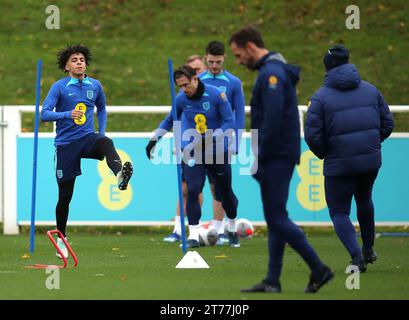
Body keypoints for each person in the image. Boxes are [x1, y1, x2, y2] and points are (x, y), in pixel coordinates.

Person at [230, 26, 333, 293]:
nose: (239, 61)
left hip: (276, 155)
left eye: (239, 55)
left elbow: (272, 120)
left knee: (276, 218)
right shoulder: (273, 70)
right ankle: (272, 280)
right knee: (276, 216)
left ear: (251, 47)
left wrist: (261, 157)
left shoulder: (272, 74)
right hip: (277, 154)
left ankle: (319, 268)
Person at [304, 45, 394, 272]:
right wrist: (371, 146)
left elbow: (312, 136)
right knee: (364, 199)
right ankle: (369, 248)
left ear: (327, 67)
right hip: (370, 161)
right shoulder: (371, 90)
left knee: (339, 211)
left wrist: (326, 153)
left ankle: (357, 257)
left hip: (339, 163)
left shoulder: (320, 98)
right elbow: (388, 124)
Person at [41, 44, 133, 258]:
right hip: (66, 145)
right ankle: (61, 239)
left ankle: (119, 175)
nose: (79, 62)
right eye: (74, 60)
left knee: (106, 142)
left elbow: (101, 107)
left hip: (87, 138)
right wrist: (66, 114)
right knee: (65, 196)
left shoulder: (95, 85)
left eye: (81, 59)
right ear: (66, 66)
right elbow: (44, 114)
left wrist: (101, 131)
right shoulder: (59, 87)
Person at [146, 65, 240, 248]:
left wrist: (214, 137)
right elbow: (169, 120)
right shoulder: (182, 99)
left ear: (195, 79)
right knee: (192, 190)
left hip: (218, 151)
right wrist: (154, 139)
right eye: (180, 86)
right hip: (194, 151)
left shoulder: (216, 95)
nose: (184, 89)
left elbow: (229, 120)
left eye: (186, 84)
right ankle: (194, 235)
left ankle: (232, 227)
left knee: (225, 193)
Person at [164, 42, 246, 245]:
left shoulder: (233, 83)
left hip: (221, 146)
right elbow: (183, 115)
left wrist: (235, 143)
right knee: (191, 188)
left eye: (218, 62)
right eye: (210, 62)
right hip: (195, 146)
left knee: (220, 190)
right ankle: (195, 232)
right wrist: (181, 141)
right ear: (205, 58)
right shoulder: (195, 81)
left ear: (224, 58)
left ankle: (224, 228)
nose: (215, 65)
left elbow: (238, 115)